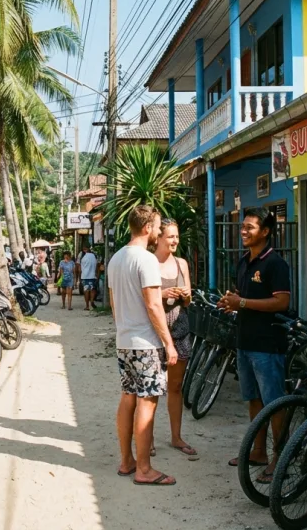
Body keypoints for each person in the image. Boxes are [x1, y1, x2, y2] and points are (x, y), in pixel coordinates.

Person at [218, 208, 291, 482]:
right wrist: (232, 301)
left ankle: (280, 458)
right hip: (245, 341)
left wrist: (243, 303)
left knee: (274, 402)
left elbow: (282, 301)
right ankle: (258, 451)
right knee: (254, 399)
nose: (244, 231)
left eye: (250, 227)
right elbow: (244, 297)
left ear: (265, 232)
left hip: (267, 344)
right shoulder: (243, 262)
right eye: (243, 227)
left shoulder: (275, 264)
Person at [109, 205, 179, 487]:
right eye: (159, 226)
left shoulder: (116, 258)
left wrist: (125, 329)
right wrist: (169, 343)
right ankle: (145, 469)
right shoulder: (146, 260)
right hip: (146, 344)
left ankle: (127, 461)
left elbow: (115, 305)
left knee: (128, 398)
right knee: (147, 403)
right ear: (148, 227)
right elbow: (153, 304)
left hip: (124, 340)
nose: (161, 232)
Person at [154, 219, 197, 459]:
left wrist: (186, 295)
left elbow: (188, 301)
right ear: (158, 237)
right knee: (151, 389)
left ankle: (176, 436)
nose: (174, 241)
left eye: (176, 236)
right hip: (156, 332)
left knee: (176, 386)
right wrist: (162, 293)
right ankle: (147, 438)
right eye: (170, 236)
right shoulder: (148, 262)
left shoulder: (181, 264)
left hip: (180, 329)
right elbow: (144, 298)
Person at [80, 244, 99, 310]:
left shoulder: (83, 257)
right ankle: (92, 300)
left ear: (85, 249)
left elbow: (80, 268)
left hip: (85, 276)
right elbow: (97, 266)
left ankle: (87, 306)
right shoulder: (94, 256)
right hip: (93, 276)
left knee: (86, 291)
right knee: (93, 290)